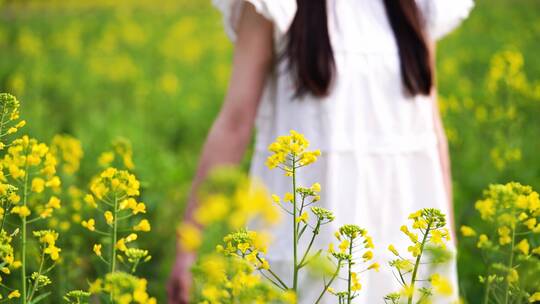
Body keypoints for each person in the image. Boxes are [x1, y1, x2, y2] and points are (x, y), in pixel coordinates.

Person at [168, 0, 474, 303]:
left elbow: (431, 134)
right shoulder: (275, 6)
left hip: (400, 240)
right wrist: (188, 247)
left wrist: (443, 244)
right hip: (309, 239)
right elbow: (234, 123)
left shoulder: (418, 6)